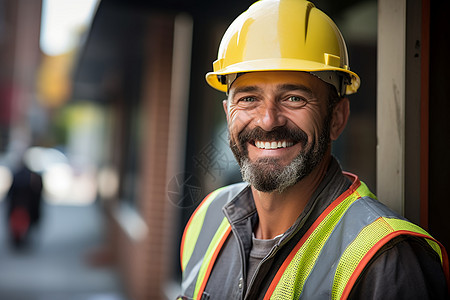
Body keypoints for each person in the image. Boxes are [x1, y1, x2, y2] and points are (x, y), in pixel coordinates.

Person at [179, 0, 450, 299]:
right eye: (248, 98)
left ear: (337, 118)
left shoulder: (385, 260)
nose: (268, 120)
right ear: (227, 112)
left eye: (294, 98)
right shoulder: (206, 220)